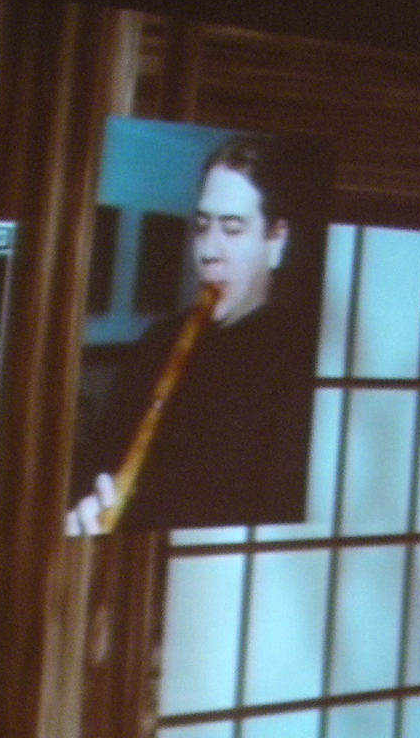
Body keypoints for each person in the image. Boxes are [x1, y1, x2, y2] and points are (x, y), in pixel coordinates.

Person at [67, 134, 316, 534]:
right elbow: (95, 461)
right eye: (201, 227)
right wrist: (84, 511)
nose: (207, 252)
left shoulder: (301, 361)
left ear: (276, 241)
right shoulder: (159, 340)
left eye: (232, 229)